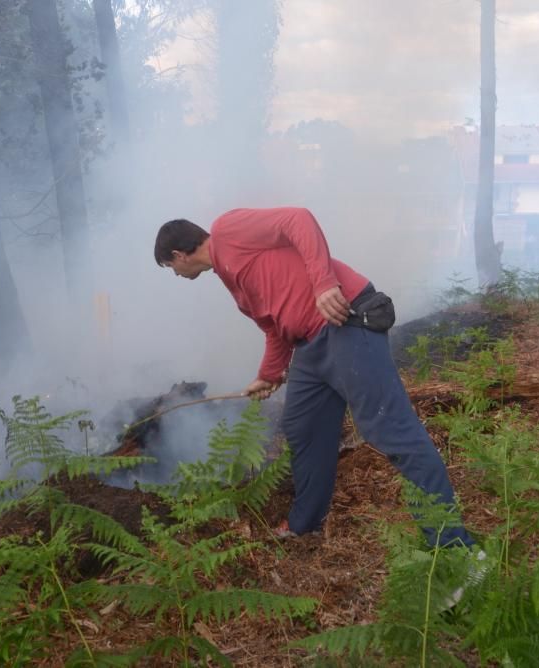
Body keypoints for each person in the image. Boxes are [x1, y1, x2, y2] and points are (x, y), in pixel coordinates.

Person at [154, 207, 473, 547]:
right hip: (309, 346)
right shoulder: (233, 282)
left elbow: (298, 220)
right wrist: (269, 374)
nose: (174, 274)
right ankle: (304, 526)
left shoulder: (227, 229)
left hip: (344, 322)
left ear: (178, 254)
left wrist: (324, 284)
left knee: (389, 428)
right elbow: (274, 329)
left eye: (170, 267)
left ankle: (453, 548)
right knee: (302, 427)